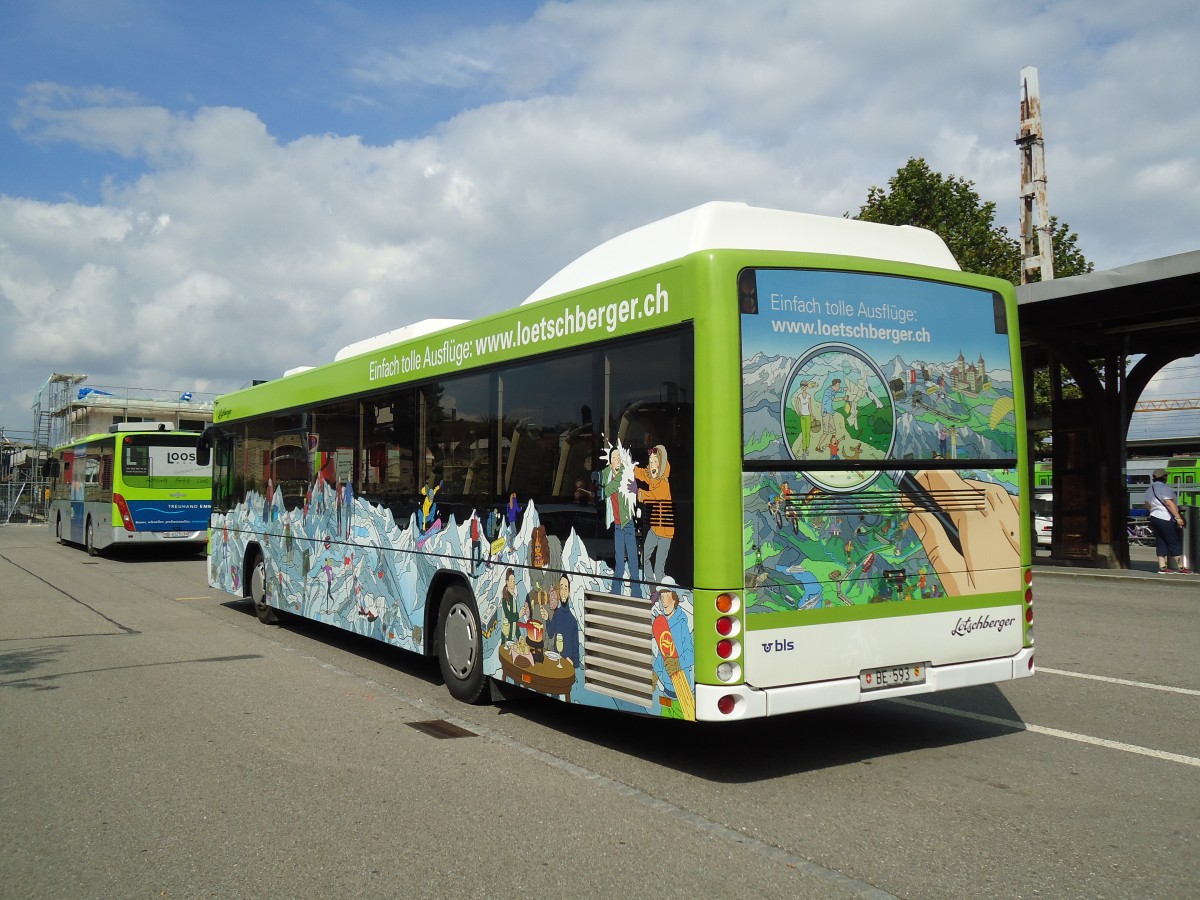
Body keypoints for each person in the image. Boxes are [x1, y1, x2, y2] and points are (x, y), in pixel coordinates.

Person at [1144, 468, 1190, 574]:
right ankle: (1181, 567)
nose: (1167, 477)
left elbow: (1146, 504)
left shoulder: (1149, 489)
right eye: (1166, 476)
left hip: (1154, 517)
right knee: (1173, 541)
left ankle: (1162, 567)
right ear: (1164, 477)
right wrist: (1178, 517)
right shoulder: (1164, 488)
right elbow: (1169, 503)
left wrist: (1154, 511)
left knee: (1160, 540)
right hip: (1165, 518)